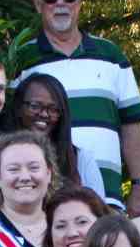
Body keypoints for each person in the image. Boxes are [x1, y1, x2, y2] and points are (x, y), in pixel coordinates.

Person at [14, 0, 140, 213]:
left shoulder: (111, 55)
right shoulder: (23, 59)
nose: (60, 3)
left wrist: (139, 185)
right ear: (37, 4)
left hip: (107, 200)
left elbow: (132, 125)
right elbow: (13, 128)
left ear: (79, 2)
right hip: (45, 201)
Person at [6, 72, 108, 201]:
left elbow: (98, 216)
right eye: (35, 106)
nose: (44, 114)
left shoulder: (81, 160)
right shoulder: (0, 155)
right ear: (18, 108)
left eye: (53, 109)